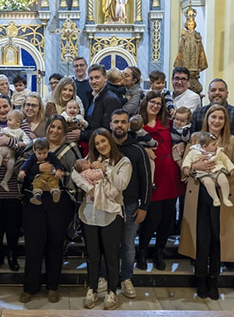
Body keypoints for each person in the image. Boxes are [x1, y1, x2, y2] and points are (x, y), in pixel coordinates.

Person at [179, 105, 234, 300]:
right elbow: (184, 168)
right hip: (199, 194)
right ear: (207, 118)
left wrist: (222, 179)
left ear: (225, 121)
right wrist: (196, 167)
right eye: (213, 117)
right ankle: (200, 279)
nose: (217, 121)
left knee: (217, 239)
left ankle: (213, 279)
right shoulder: (195, 139)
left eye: (221, 118)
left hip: (221, 196)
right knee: (201, 238)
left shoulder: (231, 141)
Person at [20, 115, 81, 302]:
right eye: (52, 126)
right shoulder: (34, 146)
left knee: (55, 244)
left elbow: (78, 174)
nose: (55, 130)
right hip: (34, 201)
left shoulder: (70, 148)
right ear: (47, 128)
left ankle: (53, 286)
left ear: (64, 131)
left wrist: (54, 172)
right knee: (33, 244)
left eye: (59, 128)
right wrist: (38, 170)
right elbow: (18, 168)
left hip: (59, 202)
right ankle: (31, 287)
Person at [71, 128, 131, 310]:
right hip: (89, 214)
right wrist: (89, 188)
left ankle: (112, 291)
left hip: (111, 214)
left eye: (103, 141)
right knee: (93, 255)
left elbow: (121, 184)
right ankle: (93, 288)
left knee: (111, 255)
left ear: (110, 141)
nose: (101, 145)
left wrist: (105, 170)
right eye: (97, 143)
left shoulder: (123, 162)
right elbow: (75, 174)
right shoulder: (89, 160)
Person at [0, 96, 34, 272]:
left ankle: (12, 254)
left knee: (13, 224)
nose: (2, 110)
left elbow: (30, 150)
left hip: (13, 185)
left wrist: (9, 142)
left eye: (5, 106)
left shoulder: (22, 126)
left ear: (11, 106)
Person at [135, 91, 181, 271]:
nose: (155, 105)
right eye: (152, 102)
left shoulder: (167, 124)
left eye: (159, 103)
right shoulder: (137, 124)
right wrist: (143, 150)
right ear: (145, 103)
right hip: (151, 176)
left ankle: (159, 252)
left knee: (167, 219)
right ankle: (142, 251)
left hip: (170, 175)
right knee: (151, 218)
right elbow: (128, 145)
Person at [107, 109, 151, 298]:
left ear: (128, 125)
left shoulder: (138, 150)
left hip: (131, 205)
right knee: (107, 244)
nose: (119, 125)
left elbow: (146, 179)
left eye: (123, 122)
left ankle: (126, 278)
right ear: (110, 124)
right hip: (107, 203)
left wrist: (144, 206)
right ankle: (106, 278)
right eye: (116, 121)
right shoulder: (104, 146)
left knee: (128, 244)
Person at [192, 79, 234, 150]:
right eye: (213, 90)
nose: (217, 93)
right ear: (208, 93)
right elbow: (193, 140)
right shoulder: (198, 113)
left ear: (227, 94)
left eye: (221, 90)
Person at [82, 64, 122, 142]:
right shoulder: (91, 95)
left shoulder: (111, 99)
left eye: (97, 77)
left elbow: (106, 130)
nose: (94, 81)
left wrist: (82, 135)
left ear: (105, 78)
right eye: (91, 78)